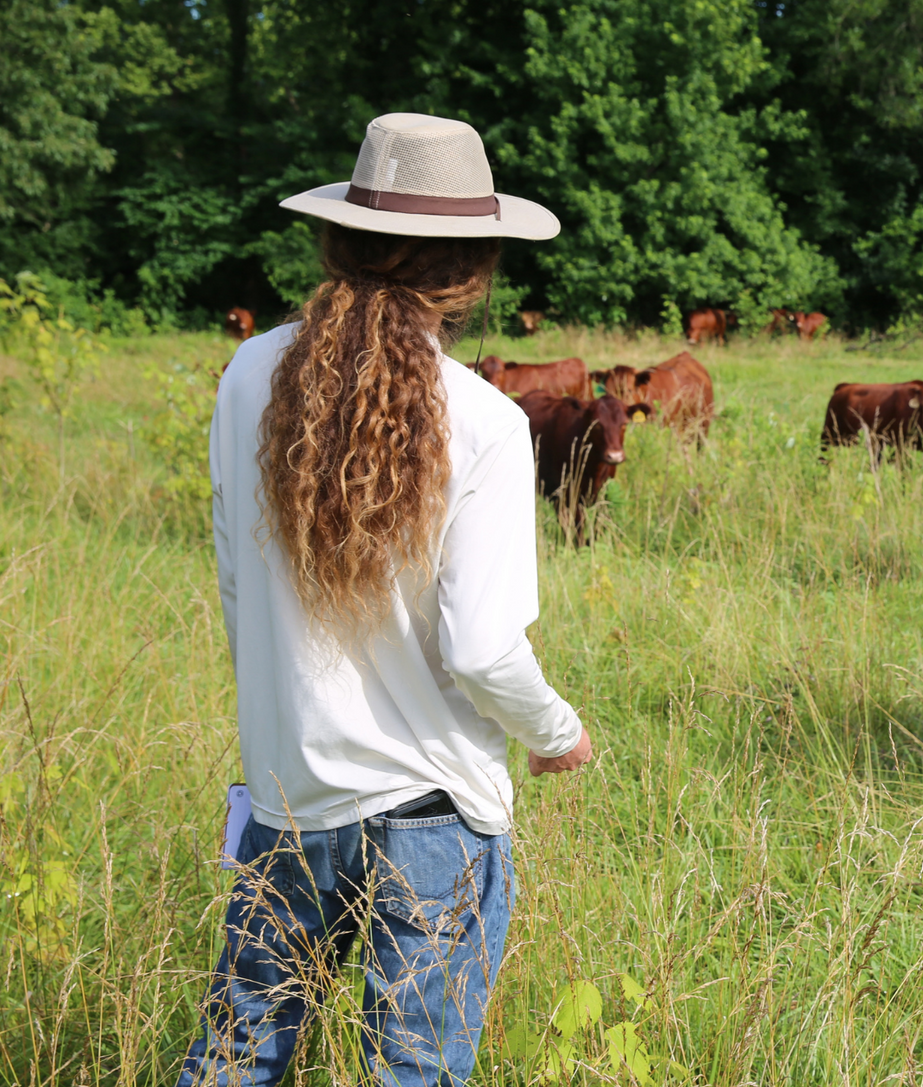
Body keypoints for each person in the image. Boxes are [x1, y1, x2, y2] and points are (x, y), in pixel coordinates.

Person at [179, 113, 592, 1084]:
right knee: (413, 1070)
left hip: (290, 794)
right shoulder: (485, 421)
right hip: (434, 816)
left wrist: (277, 730)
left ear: (337, 237)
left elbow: (239, 585)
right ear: (476, 266)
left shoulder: (250, 376)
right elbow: (484, 647)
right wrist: (555, 728)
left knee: (238, 1056)